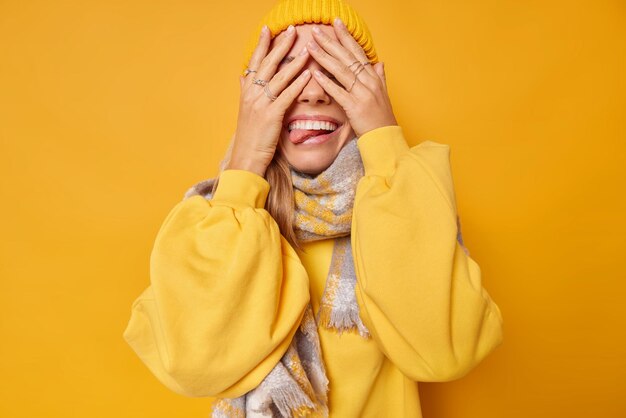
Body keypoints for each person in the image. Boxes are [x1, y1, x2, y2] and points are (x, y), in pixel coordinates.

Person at [122, 0, 504, 416]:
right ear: (254, 98)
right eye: (288, 71)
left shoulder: (410, 201)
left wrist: (384, 137)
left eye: (335, 70)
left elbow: (445, 353)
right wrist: (245, 164)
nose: (315, 91)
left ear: (370, 90)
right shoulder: (215, 219)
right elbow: (194, 367)